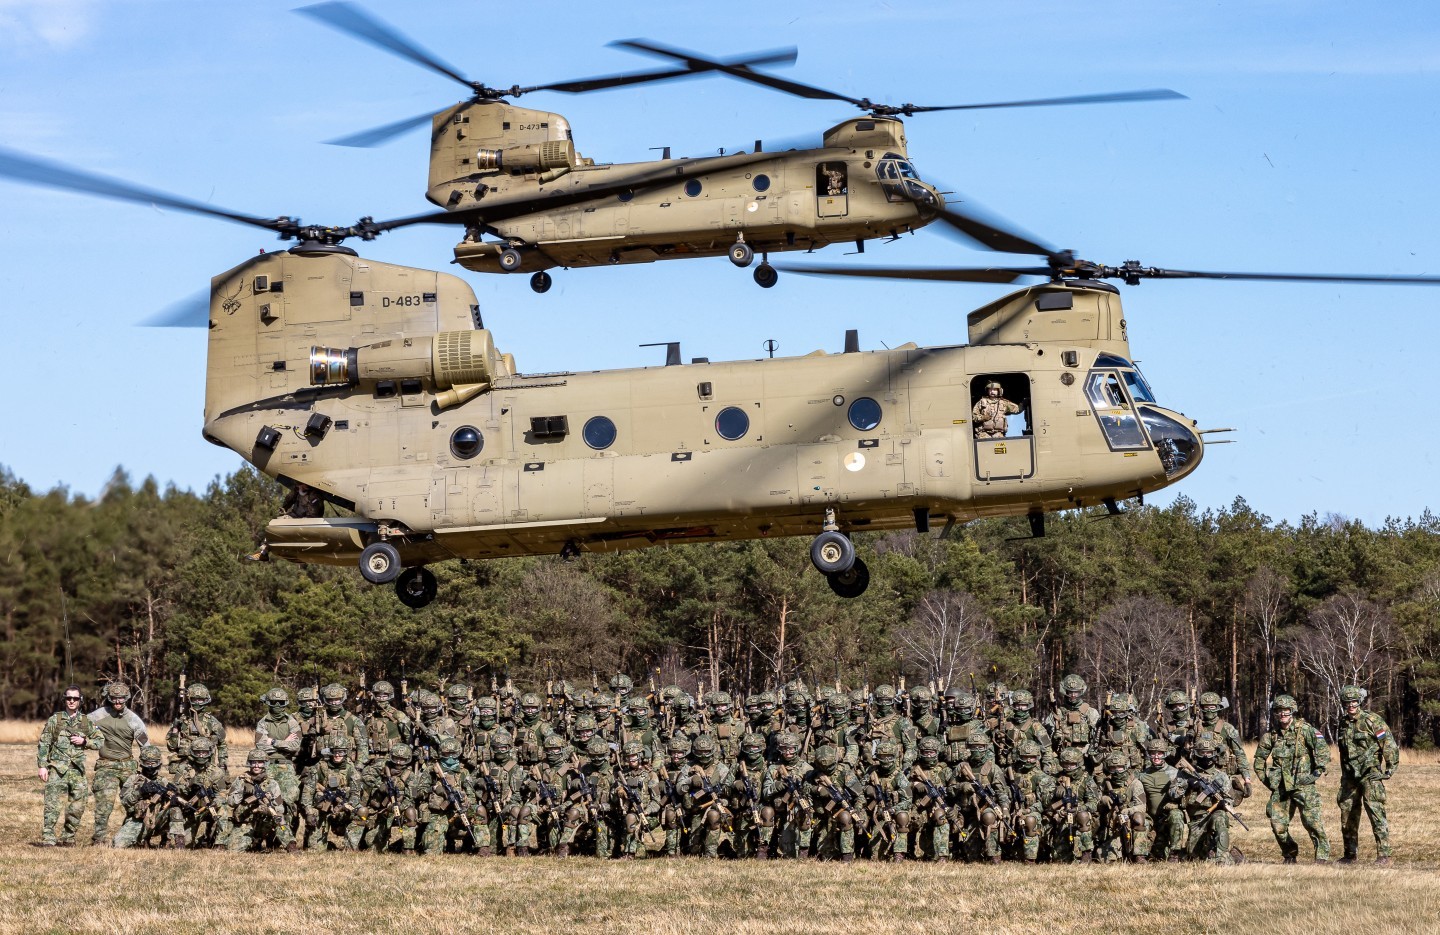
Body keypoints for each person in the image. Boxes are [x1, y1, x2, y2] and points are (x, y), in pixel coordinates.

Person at [1252, 694, 1330, 863]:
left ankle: (1322, 857)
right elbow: (1259, 760)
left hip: (1304, 786)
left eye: (1286, 711)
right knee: (1277, 824)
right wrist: (1268, 782)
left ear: (1292, 711)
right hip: (1281, 787)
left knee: (1312, 822)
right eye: (1279, 711)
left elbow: (1323, 751)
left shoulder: (1306, 730)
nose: (1283, 714)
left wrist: (1316, 773)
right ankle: (1289, 853)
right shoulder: (1271, 736)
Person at [1335, 685, 1399, 865]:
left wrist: (1389, 769)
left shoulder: (1372, 720)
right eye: (1347, 702)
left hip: (1370, 774)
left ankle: (1384, 855)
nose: (1351, 705)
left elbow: (1389, 744)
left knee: (1376, 812)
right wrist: (1344, 774)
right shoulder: (1343, 723)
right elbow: (1343, 752)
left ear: (1359, 702)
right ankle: (1350, 855)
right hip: (1349, 777)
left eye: (1354, 701)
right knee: (1347, 815)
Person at [37, 685, 102, 846]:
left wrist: (85, 741)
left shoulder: (86, 722)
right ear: (64, 700)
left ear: (80, 700)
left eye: (75, 698)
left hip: (77, 770)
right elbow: (44, 743)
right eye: (68, 698)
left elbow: (100, 741)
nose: (71, 701)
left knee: (78, 805)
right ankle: (49, 838)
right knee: (52, 804)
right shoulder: (55, 720)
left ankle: (68, 837)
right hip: (57, 769)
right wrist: (42, 766)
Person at [88, 682, 150, 845]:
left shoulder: (133, 719)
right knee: (104, 804)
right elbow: (80, 728)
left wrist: (149, 764)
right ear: (109, 698)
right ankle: (99, 839)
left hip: (128, 766)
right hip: (106, 765)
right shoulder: (97, 715)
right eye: (114, 698)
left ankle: (133, 837)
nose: (118, 702)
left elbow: (145, 745)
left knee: (134, 804)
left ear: (126, 699)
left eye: (121, 699)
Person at [246, 482, 324, 560]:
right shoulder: (297, 490)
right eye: (300, 485)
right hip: (295, 515)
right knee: (275, 525)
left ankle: (300, 553)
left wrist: (301, 523)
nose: (301, 487)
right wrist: (283, 509)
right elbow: (288, 500)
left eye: (304, 486)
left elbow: (313, 516)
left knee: (299, 530)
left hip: (309, 521)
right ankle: (264, 553)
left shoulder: (315, 496)